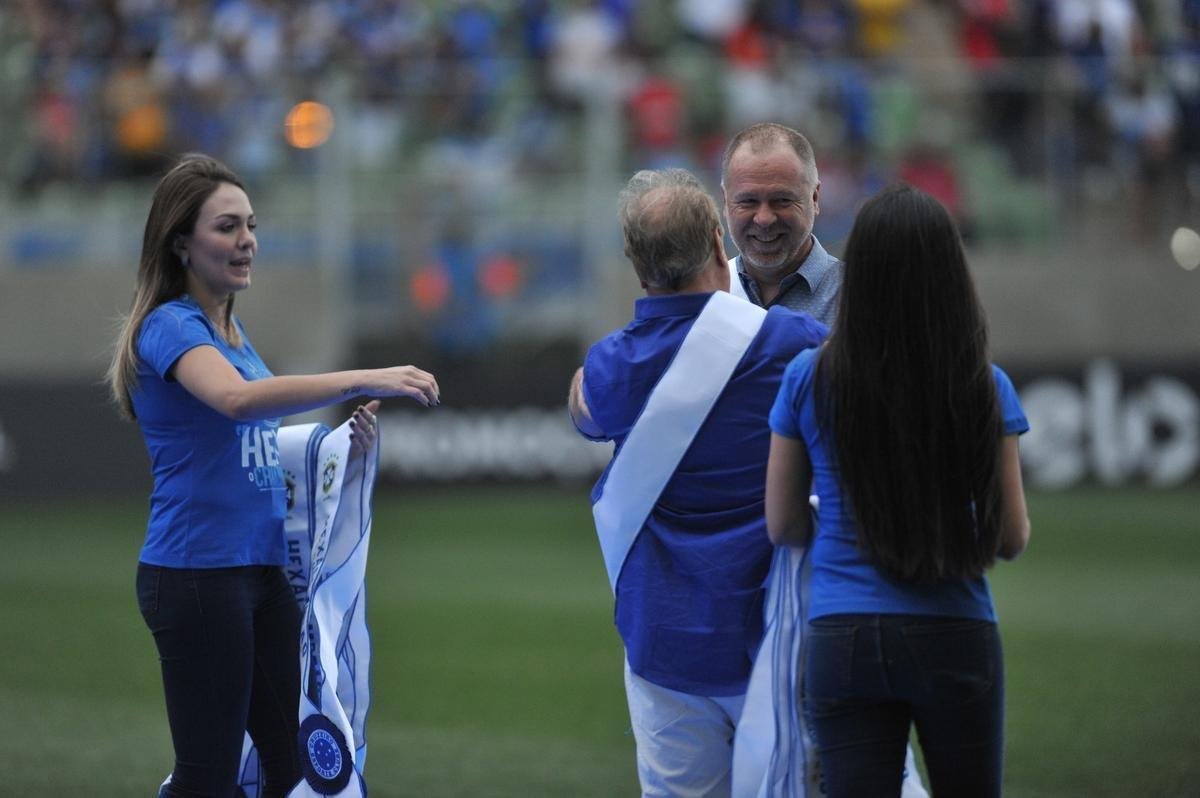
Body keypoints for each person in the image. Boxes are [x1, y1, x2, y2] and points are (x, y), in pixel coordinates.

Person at [106, 153, 440, 798]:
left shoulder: (231, 328)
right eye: (227, 227)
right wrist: (364, 377)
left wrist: (336, 449)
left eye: (250, 225)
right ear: (181, 242)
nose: (247, 241)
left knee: (295, 766)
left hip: (256, 576)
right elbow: (236, 402)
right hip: (197, 575)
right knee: (207, 778)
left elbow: (253, 442)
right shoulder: (170, 325)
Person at [765, 184, 1031, 797]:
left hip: (843, 635)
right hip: (955, 629)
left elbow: (781, 524)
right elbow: (1011, 538)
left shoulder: (809, 377)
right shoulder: (985, 386)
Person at [569, 167, 827, 796]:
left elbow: (583, 409)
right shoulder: (793, 343)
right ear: (720, 240)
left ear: (635, 264)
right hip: (778, 634)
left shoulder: (612, 366)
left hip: (666, 641)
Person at [720, 122, 841, 325]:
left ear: (815, 198)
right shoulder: (706, 299)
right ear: (725, 201)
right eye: (748, 201)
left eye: (782, 200)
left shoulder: (855, 299)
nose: (764, 218)